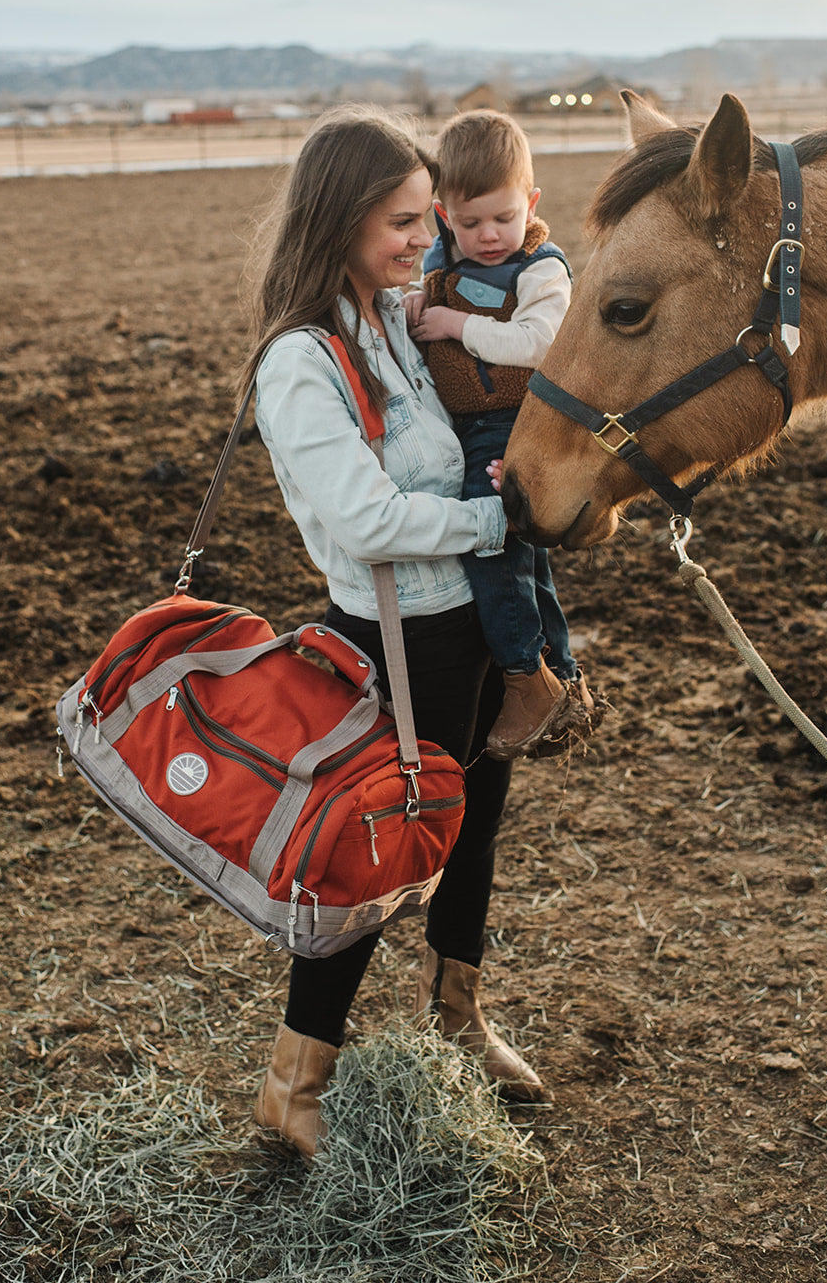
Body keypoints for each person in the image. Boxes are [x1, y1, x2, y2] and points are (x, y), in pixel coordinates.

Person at [242, 104, 547, 1161]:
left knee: (472, 833)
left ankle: (460, 1020)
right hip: (390, 643)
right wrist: (489, 518)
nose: (427, 241)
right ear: (340, 219)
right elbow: (364, 516)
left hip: (467, 628)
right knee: (367, 861)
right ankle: (294, 1085)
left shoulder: (395, 317)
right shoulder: (302, 360)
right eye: (404, 223)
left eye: (429, 220)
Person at [404, 109, 597, 759]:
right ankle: (561, 678)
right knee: (528, 561)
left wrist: (458, 328)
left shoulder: (540, 269)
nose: (489, 237)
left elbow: (544, 344)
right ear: (442, 214)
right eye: (470, 222)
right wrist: (414, 302)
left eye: (504, 218)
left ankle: (522, 675)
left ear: (531, 203)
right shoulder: (442, 256)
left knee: (496, 550)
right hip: (464, 424)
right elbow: (424, 288)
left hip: (512, 423)